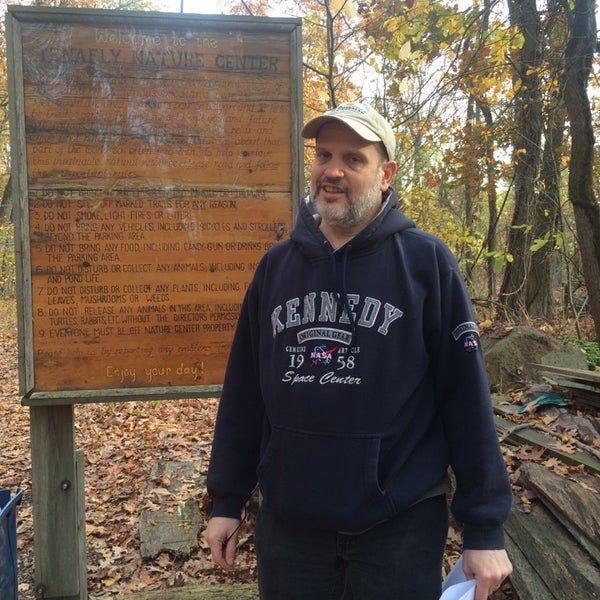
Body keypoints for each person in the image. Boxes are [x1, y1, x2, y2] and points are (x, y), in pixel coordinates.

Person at [204, 101, 513, 600]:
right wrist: (226, 498)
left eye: (353, 158)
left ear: (385, 173)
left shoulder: (426, 263)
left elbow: (465, 398)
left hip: (398, 525)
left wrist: (484, 527)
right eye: (324, 154)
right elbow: (245, 391)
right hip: (290, 528)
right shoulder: (276, 267)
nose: (333, 170)